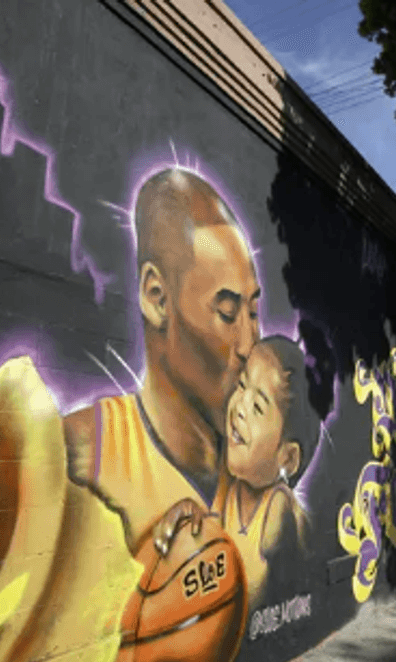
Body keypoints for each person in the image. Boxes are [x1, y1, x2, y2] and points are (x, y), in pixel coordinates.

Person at [63, 167, 261, 552]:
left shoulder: (258, 467)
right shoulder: (82, 456)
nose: (249, 345)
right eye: (226, 311)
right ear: (156, 298)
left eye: (253, 313)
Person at [213, 335, 317, 609]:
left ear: (288, 456)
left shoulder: (277, 506)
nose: (240, 407)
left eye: (258, 406)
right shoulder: (230, 492)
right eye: (242, 385)